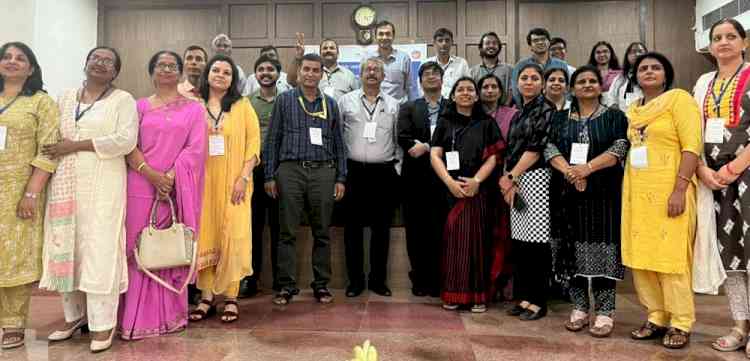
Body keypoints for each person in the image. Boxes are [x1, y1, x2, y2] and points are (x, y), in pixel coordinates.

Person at [40, 47, 137, 353]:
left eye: (108, 61)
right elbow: (53, 137)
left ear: (115, 71)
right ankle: (74, 317)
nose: (100, 63)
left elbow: (125, 140)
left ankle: (102, 323)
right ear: (85, 64)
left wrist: (76, 145)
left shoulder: (123, 100)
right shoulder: (66, 97)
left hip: (103, 186)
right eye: (96, 58)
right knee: (67, 248)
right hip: (65, 185)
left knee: (99, 251)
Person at [119, 50, 207, 340]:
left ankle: (170, 317)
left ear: (180, 72)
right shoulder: (139, 106)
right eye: (161, 65)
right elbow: (129, 145)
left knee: (169, 250)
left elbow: (195, 149)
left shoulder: (194, 109)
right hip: (140, 185)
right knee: (139, 250)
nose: (167, 69)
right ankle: (134, 320)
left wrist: (169, 177)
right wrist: (151, 174)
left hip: (174, 189)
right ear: (152, 71)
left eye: (172, 66)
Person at [622, 52, 700, 349]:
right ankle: (656, 316)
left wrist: (680, 189)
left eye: (656, 68)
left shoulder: (679, 100)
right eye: (643, 68)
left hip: (671, 191)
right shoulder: (632, 110)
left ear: (666, 74)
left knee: (671, 260)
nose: (650, 72)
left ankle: (681, 321)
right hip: (638, 194)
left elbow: (692, 146)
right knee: (643, 259)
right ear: (635, 76)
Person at [545, 65, 628, 338]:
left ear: (600, 86)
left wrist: (587, 168)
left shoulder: (615, 116)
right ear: (572, 88)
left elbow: (619, 147)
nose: (588, 84)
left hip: (603, 194)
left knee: (603, 250)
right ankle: (579, 308)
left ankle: (605, 312)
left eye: (593, 80)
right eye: (581, 81)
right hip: (566, 193)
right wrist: (570, 171)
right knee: (571, 249)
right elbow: (549, 147)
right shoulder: (558, 118)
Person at [263, 53, 347, 305]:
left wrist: (340, 177)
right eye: (306, 69)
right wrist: (269, 174)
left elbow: (340, 144)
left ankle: (321, 285)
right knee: (286, 231)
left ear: (322, 74)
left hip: (323, 171)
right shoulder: (284, 100)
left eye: (316, 70)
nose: (311, 74)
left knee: (322, 232)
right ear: (299, 72)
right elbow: (273, 139)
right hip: (290, 170)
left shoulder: (330, 104)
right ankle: (286, 286)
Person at [693, 18, 750, 356]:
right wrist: (701, 168)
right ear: (710, 46)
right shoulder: (702, 82)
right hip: (714, 183)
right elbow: (691, 131)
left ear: (743, 43)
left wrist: (734, 167)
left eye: (731, 36)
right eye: (717, 38)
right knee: (730, 257)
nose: (724, 42)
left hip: (745, 175)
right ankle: (739, 325)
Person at [190, 55, 259, 323]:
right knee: (206, 235)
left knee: (234, 235)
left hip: (235, 183)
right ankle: (206, 297)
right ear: (207, 74)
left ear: (233, 79)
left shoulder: (242, 106)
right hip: (202, 184)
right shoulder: (194, 106)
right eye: (216, 70)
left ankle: (231, 297)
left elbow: (254, 143)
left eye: (226, 72)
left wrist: (243, 177)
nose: (220, 75)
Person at [0, 42, 60, 350]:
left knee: (15, 257)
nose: (12, 62)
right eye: (6, 57)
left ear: (31, 68)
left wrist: (32, 193)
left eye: (20, 58)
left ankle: (12, 321)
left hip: (19, 192)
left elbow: (48, 152)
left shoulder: (41, 103)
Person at [430, 76, 502, 312]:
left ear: (477, 95)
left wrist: (477, 181)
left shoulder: (487, 122)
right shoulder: (444, 122)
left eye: (470, 89)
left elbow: (494, 157)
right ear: (452, 96)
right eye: (460, 89)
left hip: (478, 191)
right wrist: (450, 182)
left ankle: (478, 296)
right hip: (450, 191)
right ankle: (452, 294)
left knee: (478, 244)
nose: (466, 93)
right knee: (453, 244)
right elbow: (434, 155)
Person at [338, 57, 400, 298]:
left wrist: (397, 169)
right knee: (352, 230)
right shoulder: (345, 101)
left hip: (383, 173)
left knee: (381, 230)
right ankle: (355, 281)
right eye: (368, 69)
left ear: (384, 76)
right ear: (360, 75)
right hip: (353, 172)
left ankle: (377, 280)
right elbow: (337, 136)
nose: (372, 73)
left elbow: (398, 140)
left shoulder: (394, 104)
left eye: (377, 70)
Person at [500, 63, 555, 321]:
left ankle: (538, 301)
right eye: (524, 78)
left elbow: (536, 148)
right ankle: (524, 297)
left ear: (542, 83)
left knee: (537, 246)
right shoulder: (519, 111)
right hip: (517, 180)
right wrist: (509, 178)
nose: (529, 82)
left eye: (534, 78)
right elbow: (511, 148)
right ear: (517, 82)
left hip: (536, 179)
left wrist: (512, 176)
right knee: (521, 244)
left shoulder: (546, 108)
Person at [397, 61, 447, 297]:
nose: (431, 77)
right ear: (420, 80)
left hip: (444, 178)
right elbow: (403, 137)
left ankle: (439, 279)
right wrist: (424, 146)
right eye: (426, 74)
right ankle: (419, 278)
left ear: (442, 79)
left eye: (435, 73)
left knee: (440, 229)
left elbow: (455, 138)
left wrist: (427, 145)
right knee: (416, 230)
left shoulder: (452, 107)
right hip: (415, 178)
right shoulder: (409, 107)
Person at [240, 55, 283, 298]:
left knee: (280, 227)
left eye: (270, 69)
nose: (266, 73)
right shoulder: (245, 103)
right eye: (261, 69)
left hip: (280, 171)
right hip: (253, 171)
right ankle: (251, 279)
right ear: (255, 74)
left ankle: (280, 278)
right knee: (252, 227)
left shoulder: (287, 100)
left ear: (278, 73)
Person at [478, 73, 516, 300]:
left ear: (501, 92)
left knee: (505, 235)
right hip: (480, 182)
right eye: (485, 86)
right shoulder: (473, 115)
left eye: (494, 87)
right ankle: (485, 284)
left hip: (506, 179)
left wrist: (510, 177)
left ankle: (505, 283)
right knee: (484, 235)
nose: (490, 90)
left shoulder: (512, 115)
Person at [287, 35, 359, 101]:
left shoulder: (349, 75)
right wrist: (298, 57)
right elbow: (292, 81)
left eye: (332, 48)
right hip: (314, 113)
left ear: (338, 53)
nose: (328, 50)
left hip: (339, 114)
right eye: (325, 48)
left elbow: (356, 98)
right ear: (320, 53)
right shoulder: (312, 73)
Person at [511, 28, 569, 105]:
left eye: (543, 39)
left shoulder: (561, 65)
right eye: (535, 41)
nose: (540, 42)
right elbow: (515, 90)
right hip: (529, 110)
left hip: (556, 109)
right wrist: (524, 109)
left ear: (549, 43)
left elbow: (566, 90)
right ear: (530, 46)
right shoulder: (520, 65)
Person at [366, 21, 411, 104]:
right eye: (381, 34)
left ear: (393, 36)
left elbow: (408, 87)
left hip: (399, 109)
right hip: (374, 108)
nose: (384, 37)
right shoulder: (367, 59)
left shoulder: (404, 58)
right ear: (375, 37)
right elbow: (363, 86)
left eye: (388, 34)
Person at [425, 28, 470, 98]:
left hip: (455, 104)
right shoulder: (426, 64)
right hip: (433, 104)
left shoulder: (461, 63)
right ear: (434, 43)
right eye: (440, 40)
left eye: (447, 40)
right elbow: (421, 87)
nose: (444, 44)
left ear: (452, 42)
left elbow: (467, 85)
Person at [470, 31, 513, 105]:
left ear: (499, 47)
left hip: (504, 112)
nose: (491, 46)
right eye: (487, 43)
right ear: (481, 47)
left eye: (494, 43)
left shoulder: (509, 69)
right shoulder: (472, 71)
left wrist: (505, 110)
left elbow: (512, 91)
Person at [605, 42, 647, 111]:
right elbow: (611, 97)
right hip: (622, 117)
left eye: (640, 51)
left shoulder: (650, 75)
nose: (637, 54)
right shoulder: (621, 77)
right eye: (633, 52)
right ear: (627, 56)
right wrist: (616, 110)